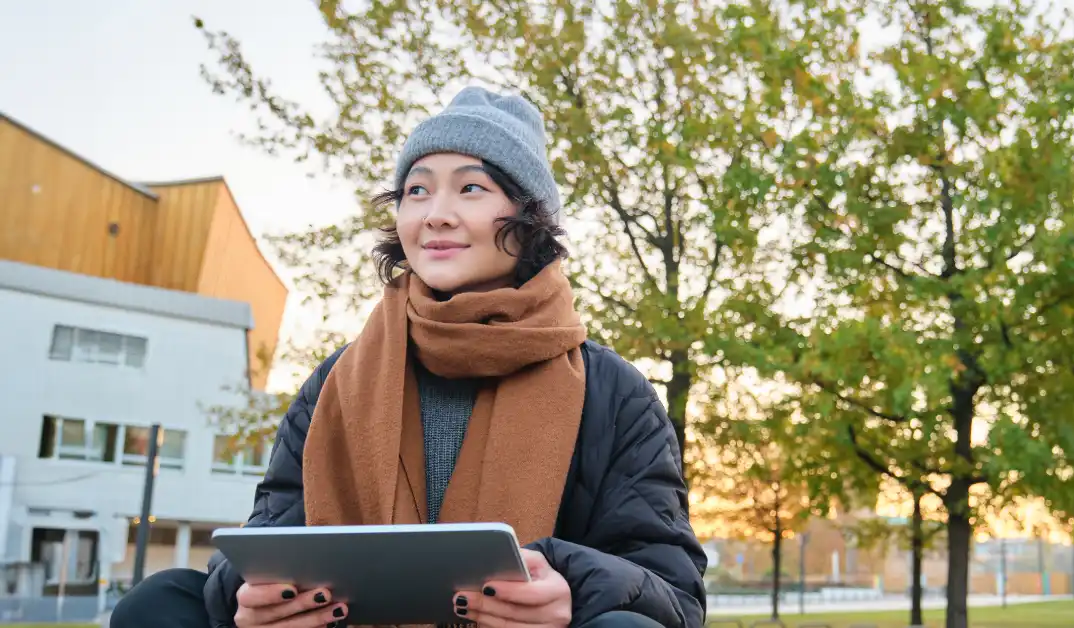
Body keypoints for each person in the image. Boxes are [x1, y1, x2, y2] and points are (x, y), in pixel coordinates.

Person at [110, 86, 707, 628]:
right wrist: (255, 593)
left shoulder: (613, 392)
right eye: (416, 190)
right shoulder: (337, 379)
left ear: (529, 222)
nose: (434, 213)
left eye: (471, 187)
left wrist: (568, 586)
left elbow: (673, 593)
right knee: (156, 606)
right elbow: (272, 534)